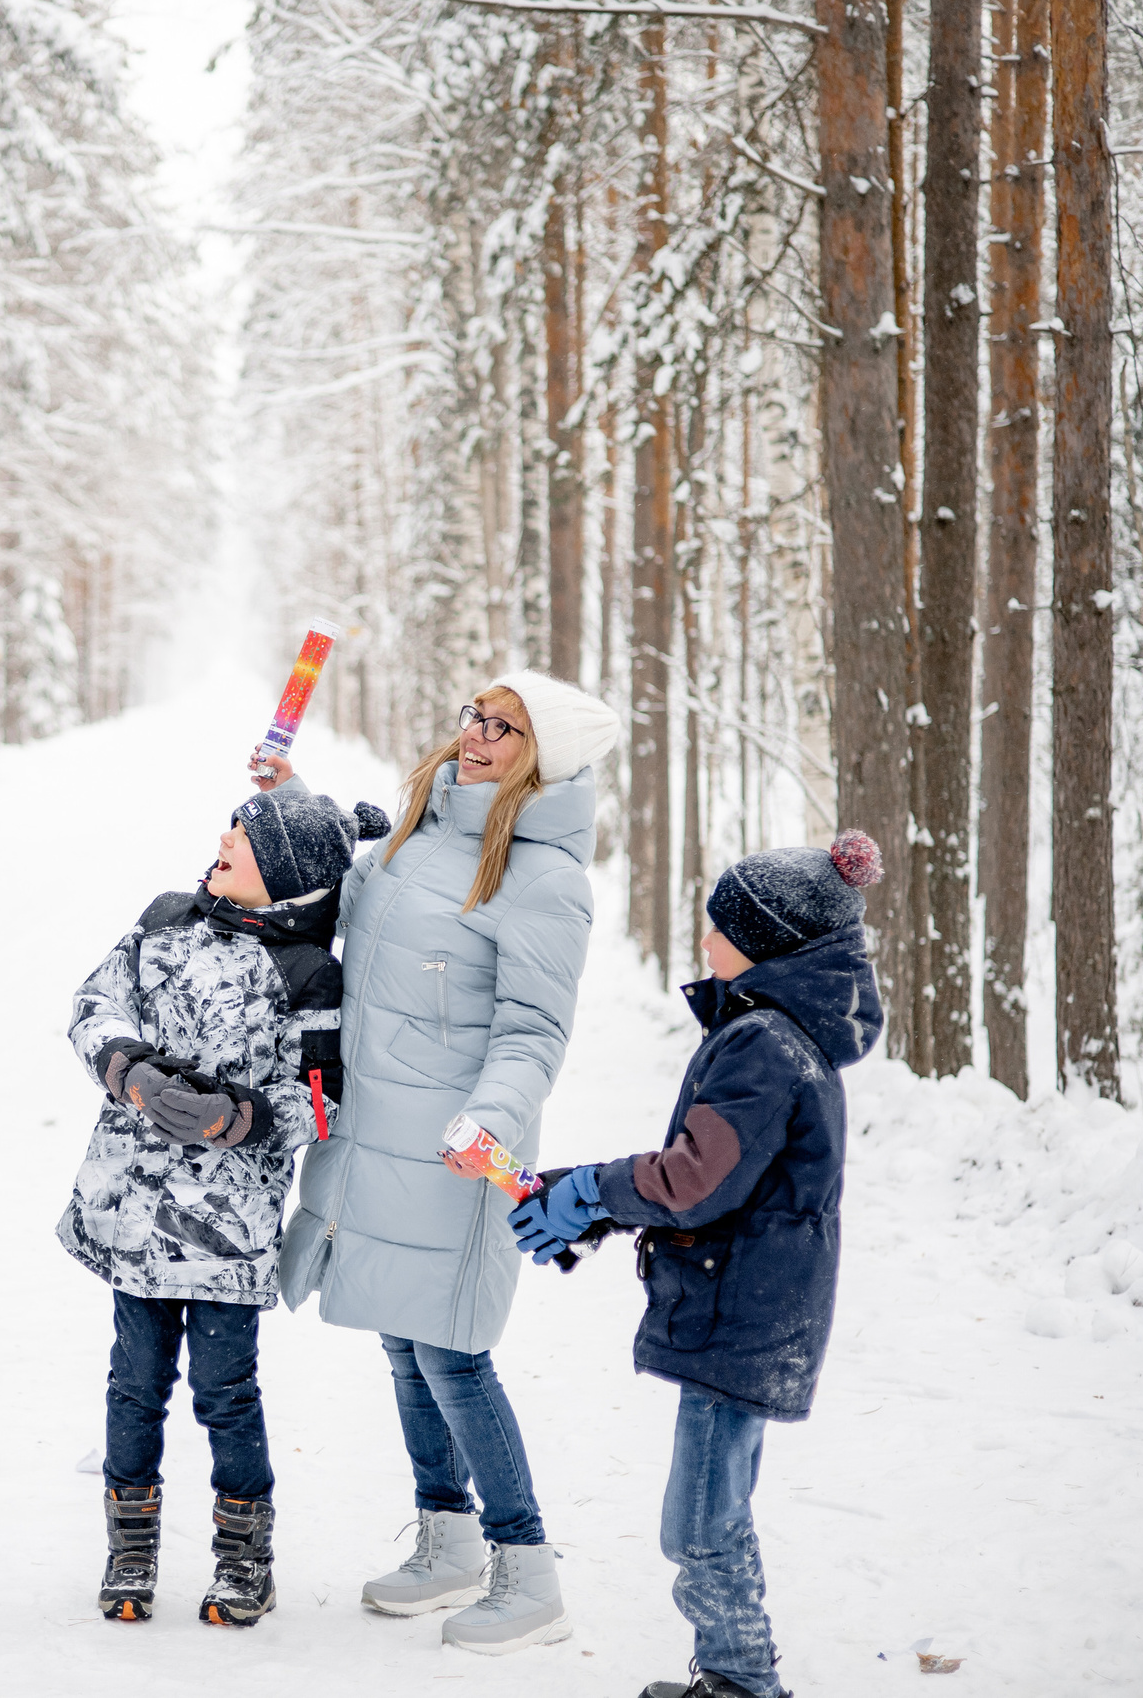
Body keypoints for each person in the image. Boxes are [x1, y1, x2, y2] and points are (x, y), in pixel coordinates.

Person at [258, 669, 619, 1655]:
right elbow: (346, 897)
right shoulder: (418, 833)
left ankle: (526, 1570)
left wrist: (491, 1119)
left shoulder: (543, 878)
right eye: (477, 715)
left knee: (453, 1351)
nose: (479, 735)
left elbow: (533, 1031)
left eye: (507, 728)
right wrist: (289, 800)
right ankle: (447, 1539)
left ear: (547, 757)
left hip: (456, 1149)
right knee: (400, 1334)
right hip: (374, 1133)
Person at [510, 833, 886, 1698]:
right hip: (753, 1306)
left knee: (699, 1524)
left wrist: (595, 1193)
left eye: (720, 928)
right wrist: (593, 1202)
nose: (705, 941)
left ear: (768, 944)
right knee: (713, 1511)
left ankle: (744, 1678)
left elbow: (689, 1182)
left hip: (741, 1316)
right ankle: (732, 1670)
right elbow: (714, 1177)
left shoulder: (763, 1043)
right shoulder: (781, 1035)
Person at [61, 780, 389, 1627]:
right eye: (229, 826)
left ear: (282, 873)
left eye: (243, 834)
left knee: (225, 1390)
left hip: (225, 1225)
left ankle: (246, 1558)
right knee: (133, 1386)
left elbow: (325, 1098)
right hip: (135, 1208)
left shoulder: (311, 971)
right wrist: (127, 1069)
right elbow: (94, 1003)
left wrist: (240, 1115)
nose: (222, 839)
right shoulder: (167, 916)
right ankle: (129, 1548)